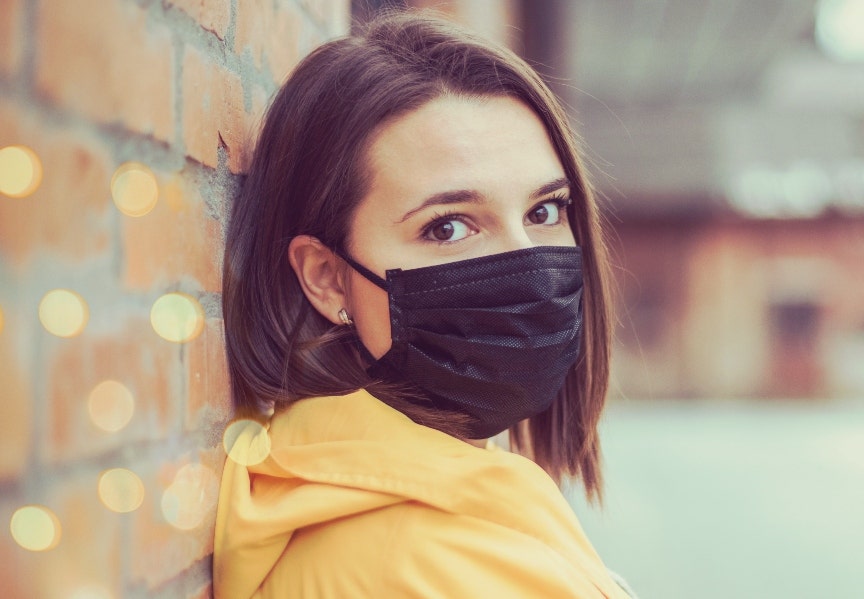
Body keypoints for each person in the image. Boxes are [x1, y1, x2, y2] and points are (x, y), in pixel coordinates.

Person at [213, 10, 634, 598]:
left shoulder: (331, 484)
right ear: (329, 278)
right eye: (449, 227)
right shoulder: (429, 561)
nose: (528, 263)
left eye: (544, 212)